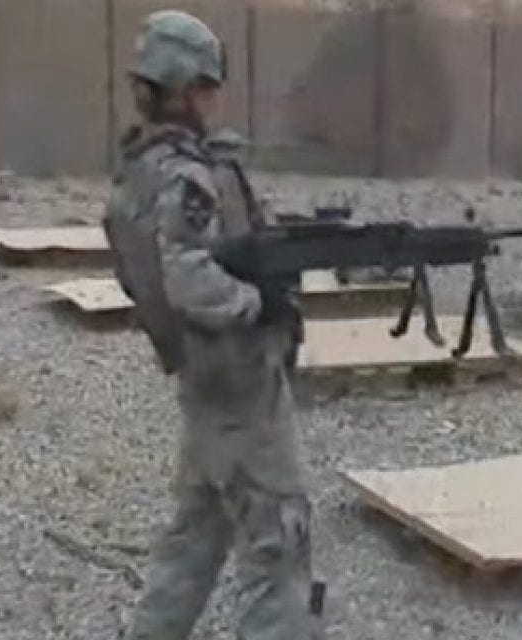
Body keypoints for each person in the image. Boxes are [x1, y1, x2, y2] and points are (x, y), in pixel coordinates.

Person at [101, 10, 318, 640]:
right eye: (207, 87)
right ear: (181, 87)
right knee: (278, 542)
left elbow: (144, 272)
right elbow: (189, 280)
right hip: (237, 382)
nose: (214, 100)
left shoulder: (141, 168)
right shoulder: (186, 177)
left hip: (202, 380)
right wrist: (260, 305)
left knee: (195, 535)